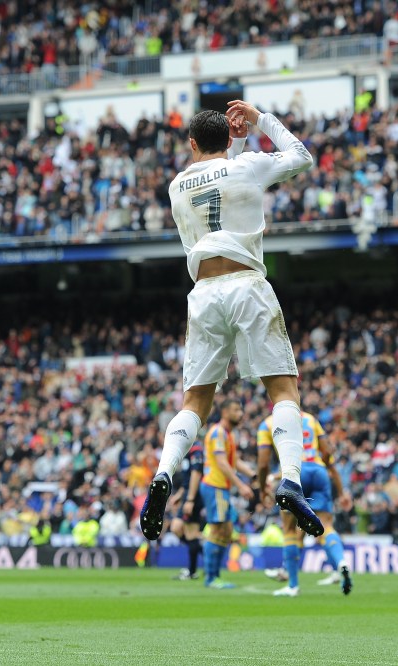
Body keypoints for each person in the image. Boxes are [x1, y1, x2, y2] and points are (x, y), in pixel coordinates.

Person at [140, 100, 322, 544]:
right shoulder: (248, 169)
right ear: (227, 140)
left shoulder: (177, 185)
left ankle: (164, 472)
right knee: (283, 390)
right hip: (246, 283)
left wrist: (232, 138)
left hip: (203, 293)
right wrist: (258, 121)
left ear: (191, 143)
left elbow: (217, 175)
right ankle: (291, 480)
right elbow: (300, 155)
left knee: (195, 401)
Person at [257, 411, 352, 597]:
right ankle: (340, 562)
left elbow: (262, 464)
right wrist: (339, 489)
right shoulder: (310, 418)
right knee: (327, 526)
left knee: (290, 530)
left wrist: (262, 489)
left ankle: (292, 585)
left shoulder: (267, 423)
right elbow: (326, 451)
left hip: (294, 472)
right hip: (318, 471)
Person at [199, 400, 254, 588]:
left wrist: (252, 475)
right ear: (224, 412)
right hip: (215, 485)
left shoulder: (227, 434)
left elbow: (234, 461)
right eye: (236, 410)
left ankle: (214, 575)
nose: (240, 413)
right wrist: (241, 485)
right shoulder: (218, 432)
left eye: (240, 410)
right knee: (218, 530)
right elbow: (222, 463)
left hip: (220, 487)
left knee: (227, 529)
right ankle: (211, 577)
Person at [169, 438, 205, 581]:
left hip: (193, 497)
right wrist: (179, 496)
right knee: (176, 528)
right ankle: (203, 553)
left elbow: (196, 474)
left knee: (191, 534)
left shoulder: (196, 450)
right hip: (187, 496)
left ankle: (192, 571)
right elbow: (187, 480)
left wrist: (190, 499)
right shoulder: (186, 451)